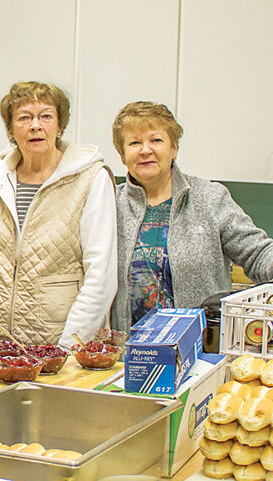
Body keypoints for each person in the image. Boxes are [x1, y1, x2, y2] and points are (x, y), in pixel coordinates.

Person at [0, 81, 117, 347]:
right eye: (24, 118)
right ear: (11, 130)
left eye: (46, 116)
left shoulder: (90, 179)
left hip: (57, 341)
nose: (35, 125)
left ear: (60, 127)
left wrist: (71, 344)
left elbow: (101, 274)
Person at [110, 101, 273, 331]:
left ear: (174, 147)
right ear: (122, 154)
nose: (146, 150)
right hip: (131, 355)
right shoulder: (108, 203)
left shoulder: (210, 197)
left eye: (156, 140)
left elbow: (257, 254)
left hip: (202, 353)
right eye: (135, 142)